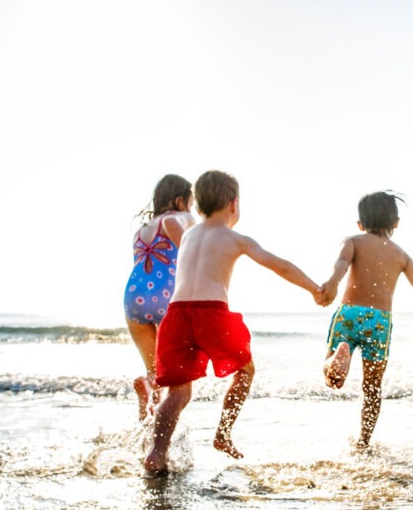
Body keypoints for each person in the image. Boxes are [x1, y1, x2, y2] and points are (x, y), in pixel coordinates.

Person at [144, 170, 324, 474]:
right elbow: (279, 266)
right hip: (211, 313)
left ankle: (156, 453)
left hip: (175, 315)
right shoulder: (235, 239)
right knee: (245, 371)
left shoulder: (188, 235)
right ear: (233, 204)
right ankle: (223, 434)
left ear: (198, 205)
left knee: (177, 392)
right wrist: (314, 289)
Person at [321, 191, 413, 450]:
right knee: (372, 388)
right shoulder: (401, 256)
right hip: (379, 322)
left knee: (331, 377)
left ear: (360, 224)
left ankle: (340, 354)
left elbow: (341, 264)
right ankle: (363, 442)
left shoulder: (353, 242)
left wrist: (332, 283)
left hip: (349, 312)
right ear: (396, 223)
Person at [123, 174, 197, 420]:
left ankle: (146, 421)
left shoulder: (141, 230)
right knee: (178, 378)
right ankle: (161, 434)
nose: (191, 209)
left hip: (133, 299)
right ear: (180, 200)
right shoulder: (179, 218)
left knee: (155, 371)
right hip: (168, 299)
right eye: (190, 203)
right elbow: (193, 254)